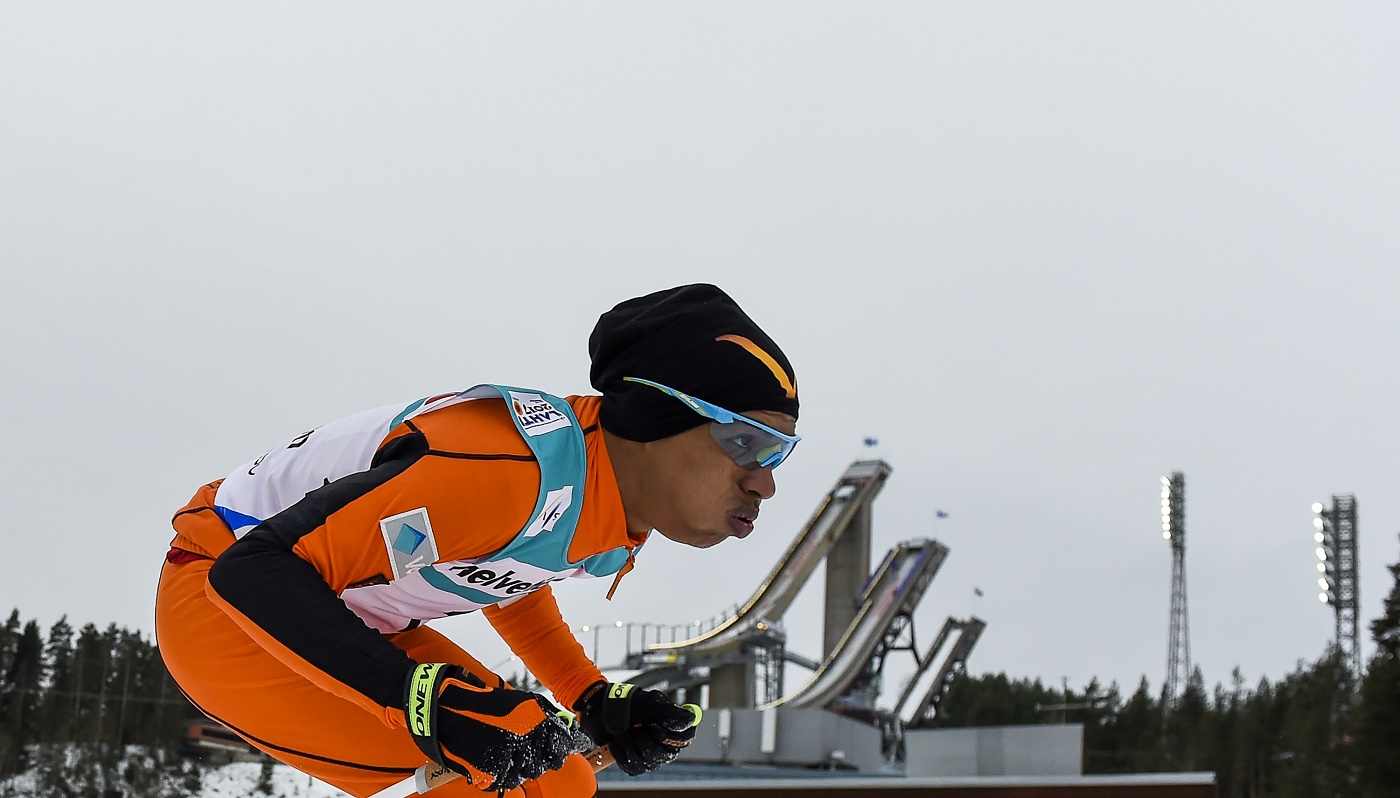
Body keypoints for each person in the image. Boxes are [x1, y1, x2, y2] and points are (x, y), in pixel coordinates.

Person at [155, 284, 801, 797]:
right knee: (486, 784)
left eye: (780, 455)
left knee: (557, 778)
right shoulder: (507, 469)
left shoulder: (608, 501)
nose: (764, 485)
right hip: (218, 592)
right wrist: (428, 705)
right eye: (746, 442)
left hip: (340, 603)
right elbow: (252, 573)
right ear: (659, 415)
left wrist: (591, 698)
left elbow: (499, 565)